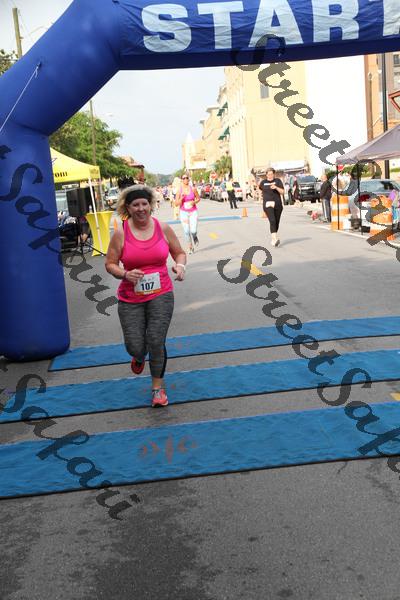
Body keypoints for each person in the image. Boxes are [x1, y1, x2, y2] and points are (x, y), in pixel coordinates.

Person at [105, 185, 186, 407]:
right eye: (135, 205)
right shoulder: (121, 233)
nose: (141, 208)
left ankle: (157, 389)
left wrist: (180, 266)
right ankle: (139, 356)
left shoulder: (163, 228)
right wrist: (125, 274)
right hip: (130, 298)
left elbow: (179, 252)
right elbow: (110, 264)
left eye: (144, 204)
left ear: (151, 205)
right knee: (135, 345)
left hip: (162, 293)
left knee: (156, 341)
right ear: (128, 208)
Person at [175, 174, 200, 254]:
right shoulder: (179, 190)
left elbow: (198, 198)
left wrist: (194, 202)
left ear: (189, 179)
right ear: (182, 180)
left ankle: (194, 236)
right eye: (184, 178)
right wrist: (181, 198)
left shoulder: (193, 189)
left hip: (193, 212)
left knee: (193, 230)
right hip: (184, 212)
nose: (185, 179)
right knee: (186, 231)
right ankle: (190, 247)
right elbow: (176, 204)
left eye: (187, 178)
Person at [259, 168, 285, 246]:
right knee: (272, 220)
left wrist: (276, 187)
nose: (270, 176)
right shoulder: (263, 182)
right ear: (266, 175)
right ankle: (275, 239)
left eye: (271, 174)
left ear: (274, 174)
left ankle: (273, 238)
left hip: (278, 204)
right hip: (267, 204)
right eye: (268, 174)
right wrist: (260, 198)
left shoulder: (278, 181)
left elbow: (282, 192)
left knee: (276, 222)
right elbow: (259, 189)